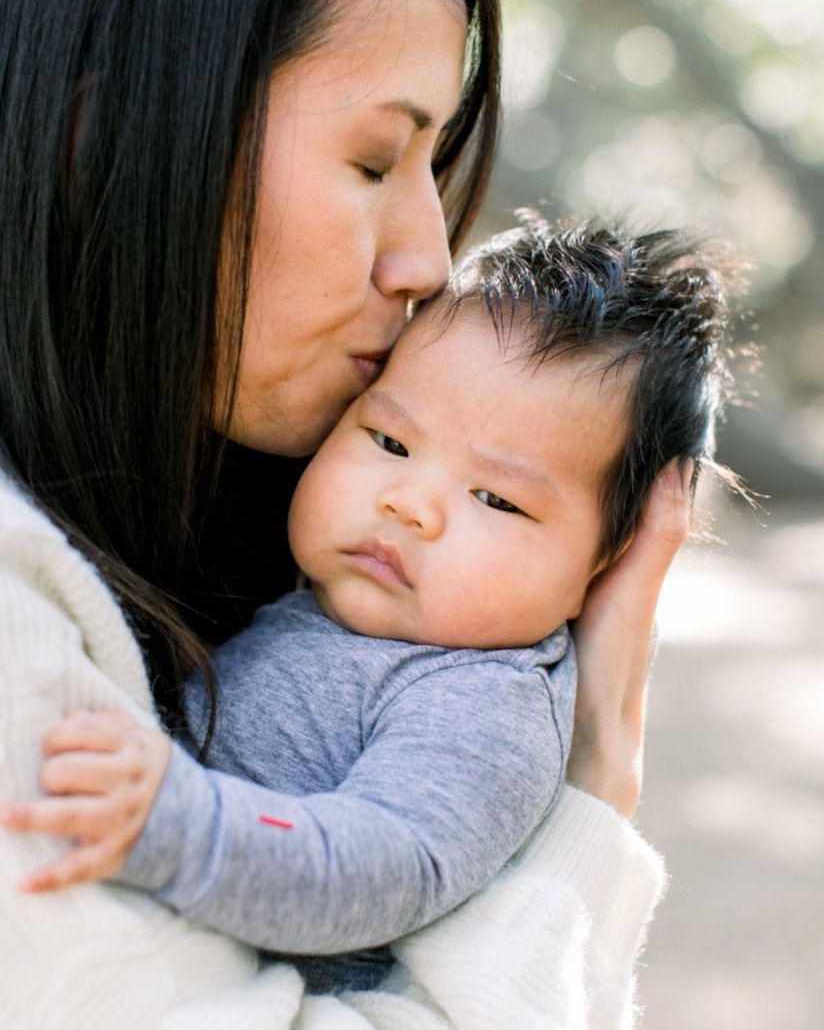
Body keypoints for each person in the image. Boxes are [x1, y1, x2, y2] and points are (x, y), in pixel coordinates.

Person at [0, 0, 690, 1027]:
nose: (424, 257)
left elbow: (383, 857)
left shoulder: (455, 689)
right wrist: (590, 818)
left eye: (432, 165)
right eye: (375, 161)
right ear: (108, 143)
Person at [3, 214, 736, 1003]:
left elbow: (387, 863)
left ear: (605, 569)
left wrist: (184, 825)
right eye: (389, 441)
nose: (411, 503)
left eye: (495, 497)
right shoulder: (329, 606)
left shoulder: (483, 701)